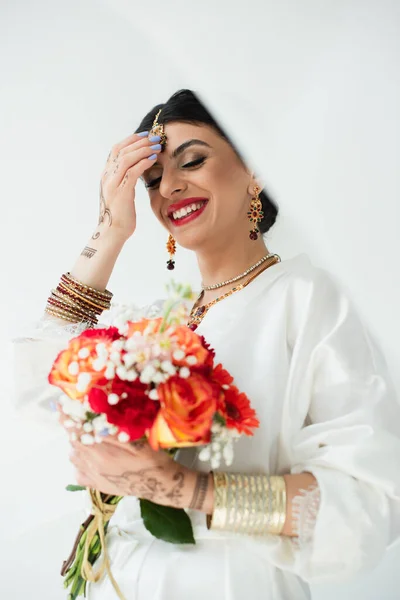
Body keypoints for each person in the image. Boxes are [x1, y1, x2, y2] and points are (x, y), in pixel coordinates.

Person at [17, 89, 400, 599]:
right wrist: (110, 231)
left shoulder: (307, 299)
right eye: (152, 181)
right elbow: (38, 390)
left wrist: (182, 489)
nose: (169, 187)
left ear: (257, 167)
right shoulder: (160, 322)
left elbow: (364, 507)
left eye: (191, 160)